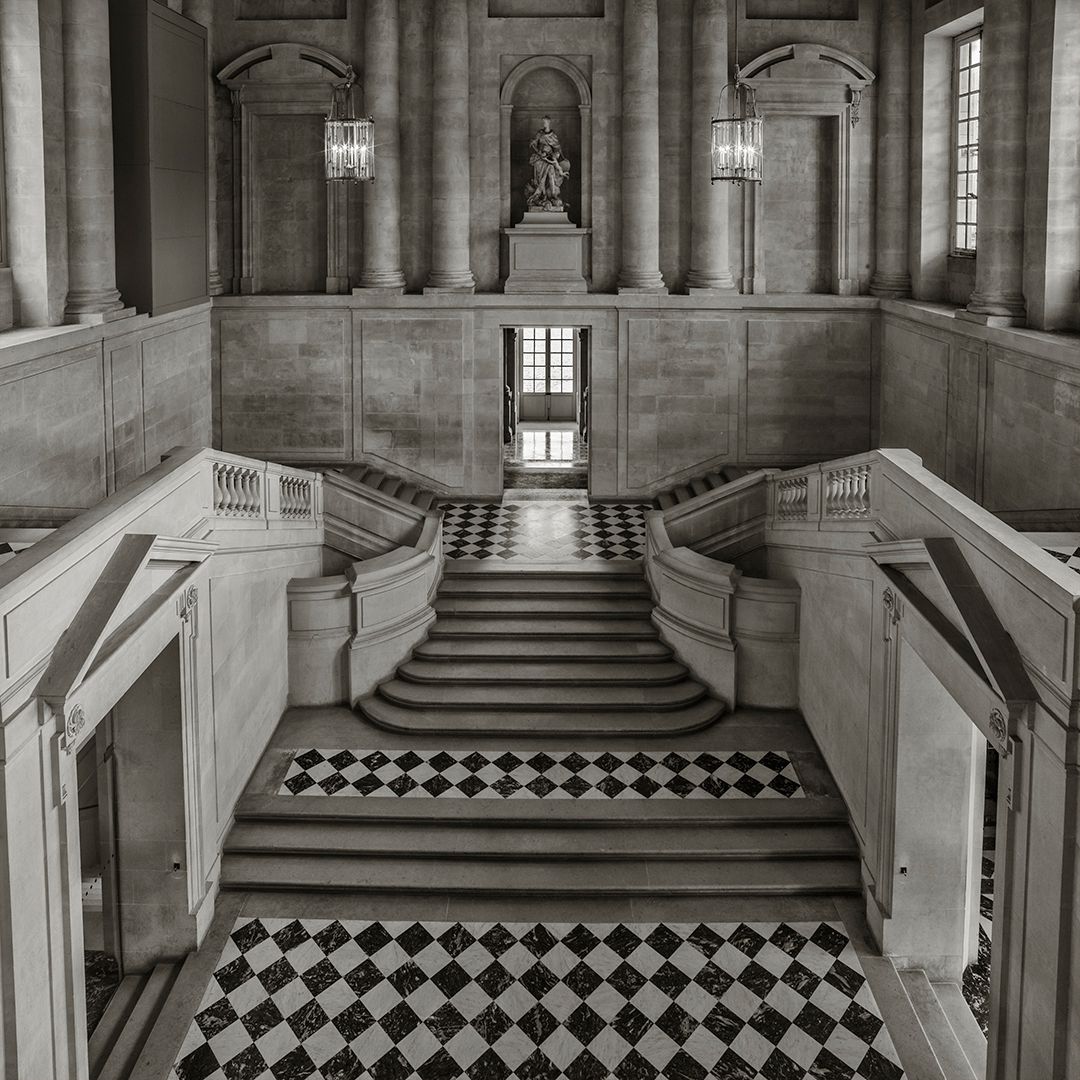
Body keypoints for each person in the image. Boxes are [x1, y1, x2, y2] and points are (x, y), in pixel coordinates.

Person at [526, 116, 570, 211]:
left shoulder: (553, 135)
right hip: (539, 159)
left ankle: (552, 195)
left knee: (551, 168)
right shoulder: (539, 134)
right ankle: (541, 195)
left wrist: (554, 155)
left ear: (549, 122)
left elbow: (557, 149)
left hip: (550, 158)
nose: (544, 124)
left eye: (545, 122)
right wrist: (535, 146)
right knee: (543, 167)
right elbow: (534, 143)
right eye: (543, 122)